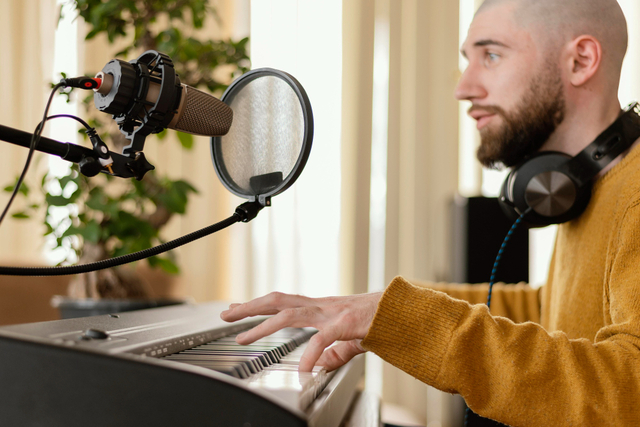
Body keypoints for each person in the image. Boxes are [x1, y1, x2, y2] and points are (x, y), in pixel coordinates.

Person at [221, 0, 640, 425]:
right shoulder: (583, 188)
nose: (463, 87)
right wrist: (388, 311)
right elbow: (552, 313)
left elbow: (631, 391)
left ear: (581, 60)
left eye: (491, 55)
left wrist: (413, 322)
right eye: (468, 60)